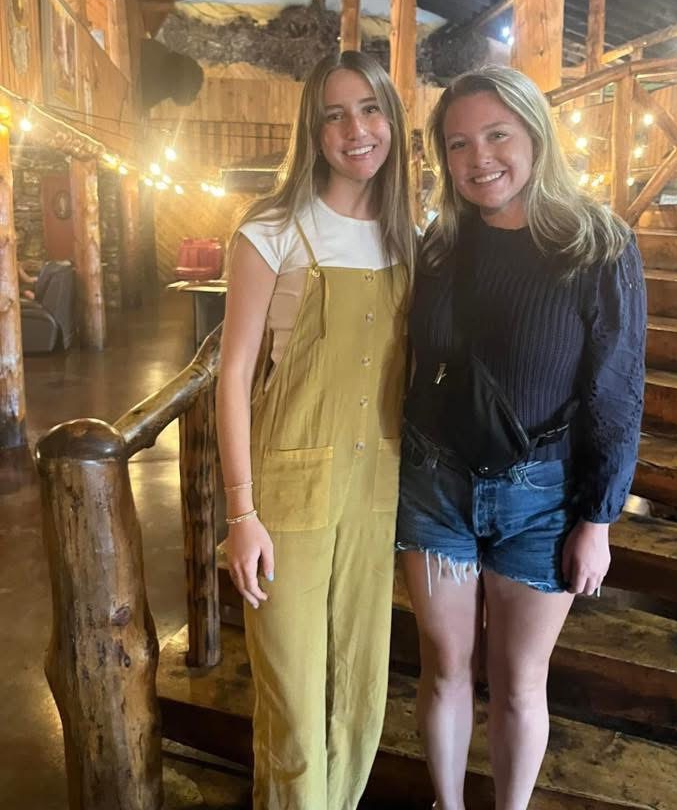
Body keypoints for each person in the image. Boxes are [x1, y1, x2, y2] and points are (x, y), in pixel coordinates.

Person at [396, 66, 646, 810]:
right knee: (445, 668)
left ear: (536, 133)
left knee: (518, 683)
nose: (479, 158)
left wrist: (598, 519)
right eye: (458, 143)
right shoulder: (439, 246)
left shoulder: (598, 244)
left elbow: (615, 392)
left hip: (542, 497)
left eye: (497, 134)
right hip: (434, 485)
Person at [215, 50, 415, 810]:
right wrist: (242, 513)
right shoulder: (272, 230)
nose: (355, 129)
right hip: (286, 492)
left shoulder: (411, 236)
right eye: (335, 115)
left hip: (376, 489)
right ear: (313, 130)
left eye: (369, 109)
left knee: (360, 693)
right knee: (294, 704)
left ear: (392, 121)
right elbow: (235, 375)